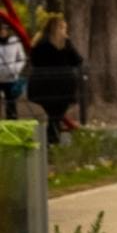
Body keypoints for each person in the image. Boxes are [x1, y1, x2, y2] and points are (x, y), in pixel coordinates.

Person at [27, 15, 83, 144]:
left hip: (43, 86)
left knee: (54, 117)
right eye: (63, 28)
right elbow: (77, 60)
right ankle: (52, 144)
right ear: (57, 29)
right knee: (55, 116)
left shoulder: (39, 44)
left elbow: (35, 61)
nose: (65, 32)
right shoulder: (65, 44)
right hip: (62, 86)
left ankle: (52, 144)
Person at [0, 21, 27, 120]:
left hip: (11, 78)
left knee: (11, 105)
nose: (2, 31)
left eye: (4, 29)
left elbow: (22, 58)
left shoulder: (15, 41)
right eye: (0, 29)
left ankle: (12, 126)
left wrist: (15, 69)